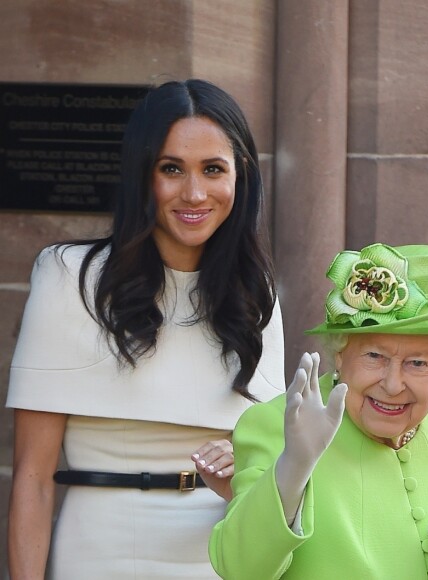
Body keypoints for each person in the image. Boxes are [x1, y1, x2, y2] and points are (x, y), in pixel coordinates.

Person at [6, 79, 285, 580]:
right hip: (100, 549)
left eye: (213, 169)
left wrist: (246, 459)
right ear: (142, 175)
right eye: (171, 168)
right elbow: (31, 475)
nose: (194, 192)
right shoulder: (71, 276)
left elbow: (272, 471)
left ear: (240, 177)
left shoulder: (256, 293)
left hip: (223, 556)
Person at [209, 242, 428, 579]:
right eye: (374, 356)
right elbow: (239, 569)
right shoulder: (275, 425)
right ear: (340, 354)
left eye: (417, 363)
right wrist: (293, 467)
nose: (393, 384)